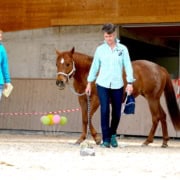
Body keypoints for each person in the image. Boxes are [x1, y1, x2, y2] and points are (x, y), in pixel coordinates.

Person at [85, 23, 135, 148]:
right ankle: (106, 139)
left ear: (114, 35)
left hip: (118, 85)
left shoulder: (122, 49)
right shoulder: (100, 50)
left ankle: (113, 134)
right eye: (106, 36)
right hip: (102, 84)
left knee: (117, 112)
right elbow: (95, 66)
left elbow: (128, 66)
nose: (108, 39)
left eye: (110, 36)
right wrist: (89, 82)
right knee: (105, 110)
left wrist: (130, 83)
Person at [0, 29, 11, 100]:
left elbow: (4, 66)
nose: (0, 38)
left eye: (1, 36)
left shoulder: (2, 50)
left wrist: (7, 81)